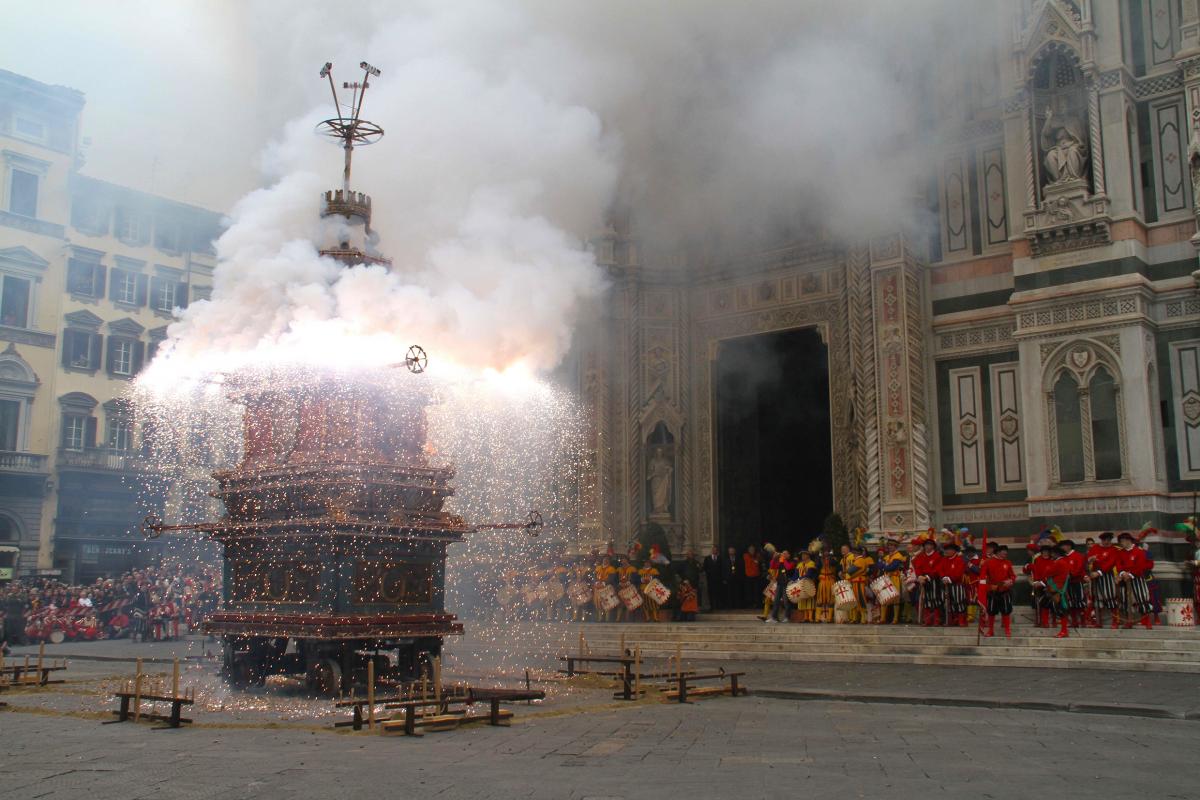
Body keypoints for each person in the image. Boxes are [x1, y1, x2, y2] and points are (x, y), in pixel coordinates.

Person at [1116, 531, 1154, 629]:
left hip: (1137, 578)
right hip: (1124, 579)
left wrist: (1131, 574)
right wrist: (1122, 573)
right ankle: (1129, 620)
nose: (1121, 543)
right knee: (1125, 600)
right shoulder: (1120, 553)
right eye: (1120, 541)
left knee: (1142, 598)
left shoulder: (1138, 551)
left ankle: (1147, 621)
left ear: (1128, 541)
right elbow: (1119, 564)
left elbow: (1140, 565)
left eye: (1123, 541)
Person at [1086, 532, 1121, 629]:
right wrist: (1090, 560)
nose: (1106, 542)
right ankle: (1098, 621)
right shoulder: (1095, 548)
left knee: (1110, 597)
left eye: (1108, 540)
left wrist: (1099, 572)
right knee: (1097, 599)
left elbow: (1111, 563)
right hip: (1095, 577)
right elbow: (1088, 559)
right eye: (1104, 540)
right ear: (1101, 540)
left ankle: (1115, 621)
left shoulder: (1114, 550)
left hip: (1107, 576)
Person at [981, 542, 1015, 638]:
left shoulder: (1007, 563)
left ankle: (1007, 630)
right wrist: (989, 587)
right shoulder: (988, 562)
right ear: (998, 552)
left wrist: (1011, 581)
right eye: (1003, 553)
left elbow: (1012, 575)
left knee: (1006, 610)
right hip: (992, 591)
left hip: (1005, 590)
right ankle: (991, 630)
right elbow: (983, 577)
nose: (1005, 555)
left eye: (1006, 553)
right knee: (991, 611)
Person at [1025, 541, 1057, 629]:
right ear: (1041, 552)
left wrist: (1045, 582)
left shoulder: (1053, 561)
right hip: (1039, 585)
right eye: (1044, 551)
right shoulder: (1037, 560)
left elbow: (1053, 573)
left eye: (1047, 551)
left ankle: (1054, 621)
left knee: (1053, 604)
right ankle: (1043, 622)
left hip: (1051, 585)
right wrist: (1035, 582)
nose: (1045, 552)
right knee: (1041, 604)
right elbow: (1035, 572)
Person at [1057, 539, 1087, 629]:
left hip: (1076, 582)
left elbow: (1079, 569)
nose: (1062, 548)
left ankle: (1083, 621)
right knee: (1070, 603)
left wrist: (1070, 574)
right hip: (1067, 584)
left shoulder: (1078, 556)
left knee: (1079, 602)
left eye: (1064, 546)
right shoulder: (1062, 558)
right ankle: (1074, 621)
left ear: (1069, 546)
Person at [913, 536, 943, 626]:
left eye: (929, 545)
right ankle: (927, 620)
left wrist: (927, 576)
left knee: (935, 599)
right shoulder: (921, 556)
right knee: (925, 600)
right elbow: (917, 567)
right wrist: (920, 576)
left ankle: (937, 620)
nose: (927, 547)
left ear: (933, 546)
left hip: (934, 580)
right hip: (923, 581)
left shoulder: (937, 556)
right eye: (926, 545)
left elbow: (938, 569)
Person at [939, 541, 967, 627]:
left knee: (959, 601)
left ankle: (961, 620)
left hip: (957, 584)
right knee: (948, 602)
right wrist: (944, 577)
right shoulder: (943, 560)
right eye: (946, 549)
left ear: (954, 551)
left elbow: (959, 572)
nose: (947, 551)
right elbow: (940, 570)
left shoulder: (959, 560)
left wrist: (949, 578)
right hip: (945, 584)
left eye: (949, 549)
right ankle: (951, 620)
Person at [879, 537, 906, 625]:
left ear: (896, 546)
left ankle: (895, 619)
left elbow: (892, 567)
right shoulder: (887, 556)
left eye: (892, 545)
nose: (890, 547)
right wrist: (884, 567)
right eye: (889, 545)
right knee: (884, 598)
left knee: (895, 599)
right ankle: (882, 618)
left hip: (894, 578)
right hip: (886, 579)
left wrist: (884, 567)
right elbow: (879, 565)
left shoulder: (898, 556)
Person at [845, 545, 874, 624]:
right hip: (855, 582)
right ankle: (856, 617)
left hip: (859, 582)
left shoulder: (860, 560)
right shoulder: (858, 560)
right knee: (855, 599)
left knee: (860, 599)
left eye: (854, 552)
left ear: (857, 553)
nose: (853, 554)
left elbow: (850, 570)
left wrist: (848, 570)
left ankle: (863, 618)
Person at [766, 550, 795, 623]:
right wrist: (774, 558)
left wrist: (783, 559)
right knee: (776, 601)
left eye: (785, 554)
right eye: (783, 553)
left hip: (787, 584)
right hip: (779, 583)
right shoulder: (781, 562)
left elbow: (788, 568)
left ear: (789, 555)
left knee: (786, 602)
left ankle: (787, 617)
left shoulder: (792, 561)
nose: (783, 555)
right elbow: (772, 566)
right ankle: (774, 617)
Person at [792, 549, 818, 623]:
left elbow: (809, 574)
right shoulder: (799, 564)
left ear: (808, 555)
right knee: (802, 600)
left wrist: (798, 579)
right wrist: (792, 580)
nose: (803, 556)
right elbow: (795, 575)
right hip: (800, 584)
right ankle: (805, 617)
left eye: (804, 555)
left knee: (809, 600)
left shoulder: (811, 563)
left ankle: (810, 617)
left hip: (808, 584)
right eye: (802, 555)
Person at [815, 548, 837, 623]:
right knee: (820, 599)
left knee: (831, 599)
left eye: (827, 551)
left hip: (830, 580)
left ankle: (829, 618)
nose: (826, 553)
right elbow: (817, 566)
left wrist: (831, 555)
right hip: (822, 581)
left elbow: (833, 563)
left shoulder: (832, 558)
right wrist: (819, 557)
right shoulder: (819, 559)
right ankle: (817, 618)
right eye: (824, 551)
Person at [720, 546, 742, 610]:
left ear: (734, 551)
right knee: (729, 593)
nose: (731, 552)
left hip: (736, 578)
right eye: (730, 551)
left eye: (732, 550)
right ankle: (730, 605)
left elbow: (741, 569)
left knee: (737, 592)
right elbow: (723, 569)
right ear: (728, 552)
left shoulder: (738, 559)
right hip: (728, 578)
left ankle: (737, 605)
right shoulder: (725, 559)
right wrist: (724, 578)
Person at [702, 546, 722, 611]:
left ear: (717, 551)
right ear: (712, 551)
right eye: (713, 550)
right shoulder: (707, 558)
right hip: (710, 579)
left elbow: (722, 568)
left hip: (718, 579)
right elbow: (704, 568)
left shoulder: (720, 558)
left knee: (718, 592)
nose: (714, 551)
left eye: (716, 550)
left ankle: (718, 606)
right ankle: (712, 606)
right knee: (710, 592)